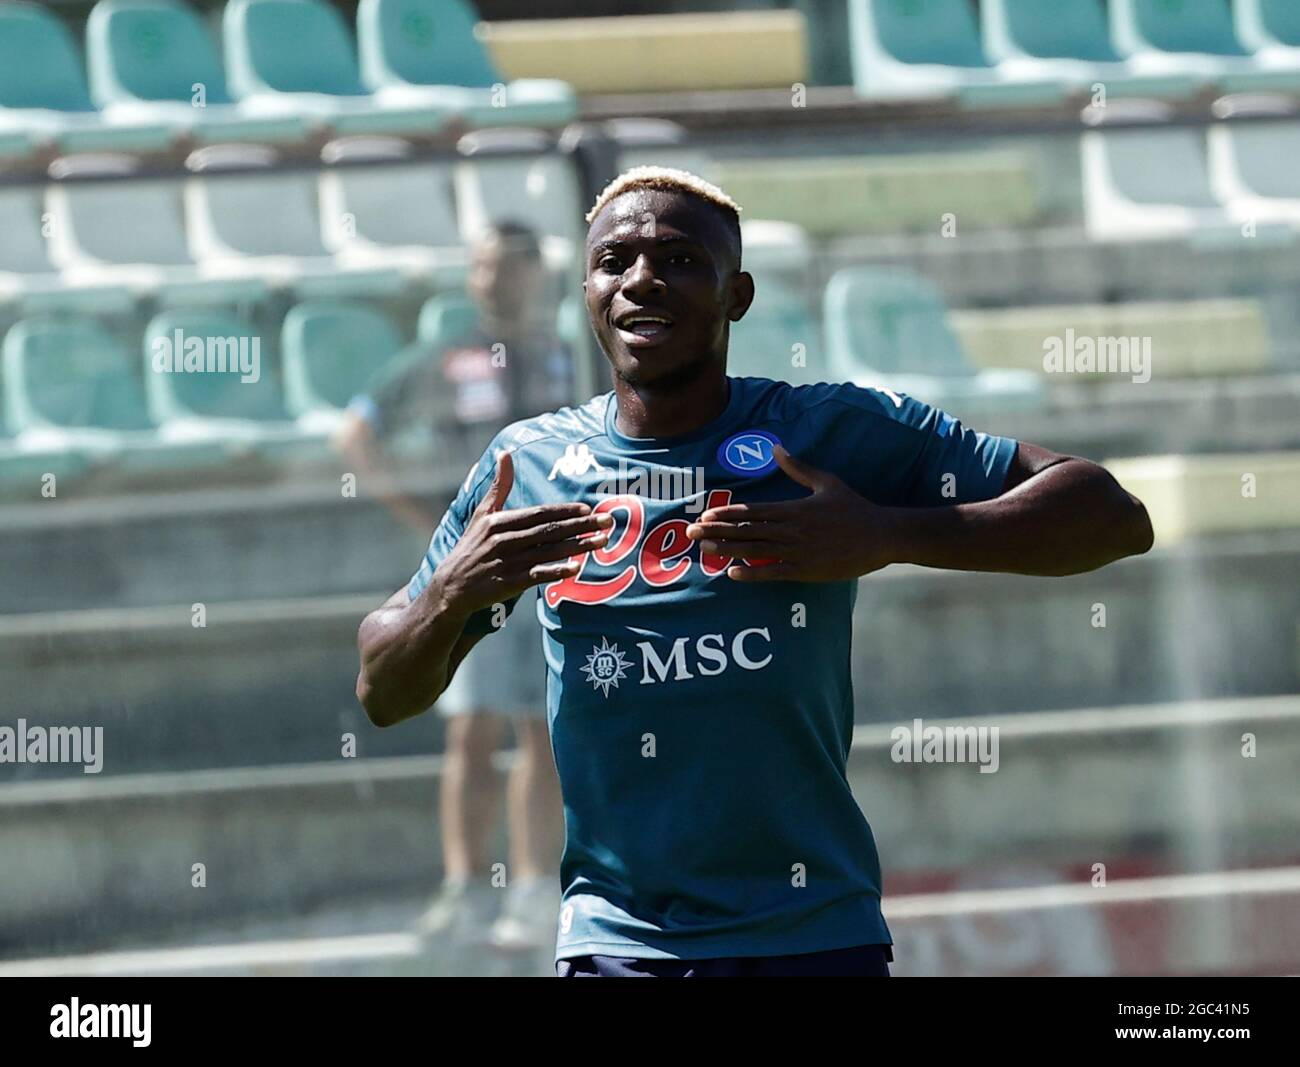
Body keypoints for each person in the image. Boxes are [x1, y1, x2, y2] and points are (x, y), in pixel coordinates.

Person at [354, 167, 1154, 977]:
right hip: (621, 945)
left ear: (736, 294)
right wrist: (455, 592)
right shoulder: (526, 464)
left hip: (810, 936)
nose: (641, 280)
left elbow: (1112, 514)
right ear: (586, 292)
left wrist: (885, 533)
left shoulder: (823, 432)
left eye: (677, 259)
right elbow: (383, 690)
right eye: (614, 260)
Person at [336, 222, 571, 951]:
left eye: (505, 265)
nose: (491, 278)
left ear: (536, 271)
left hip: (558, 567)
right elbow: (355, 432)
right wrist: (422, 521)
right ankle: (466, 887)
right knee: (472, 728)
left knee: (544, 727)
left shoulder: (570, 355)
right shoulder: (443, 358)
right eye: (479, 265)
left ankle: (533, 888)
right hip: (470, 571)